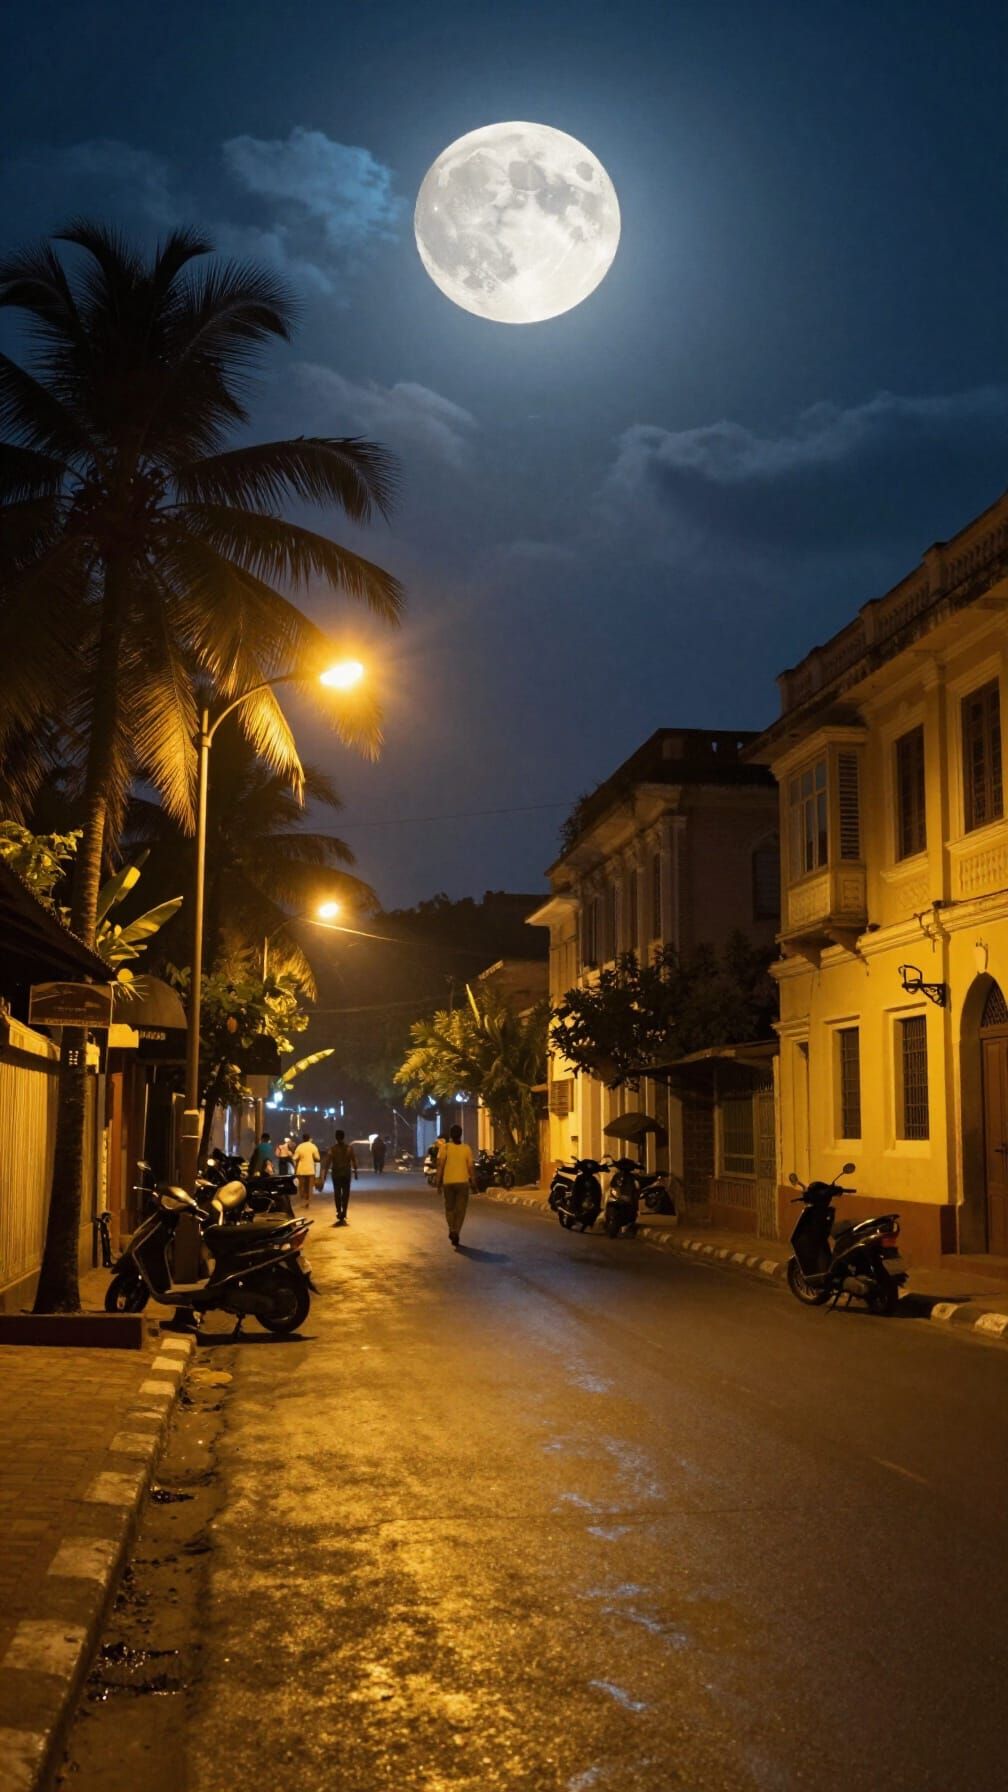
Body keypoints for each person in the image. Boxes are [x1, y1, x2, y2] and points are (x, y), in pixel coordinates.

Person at [436, 1124, 475, 1250]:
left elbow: (440, 1166)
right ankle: (456, 1231)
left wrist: (438, 1182)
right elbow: (470, 1167)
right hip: (463, 1183)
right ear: (461, 1134)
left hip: (448, 1183)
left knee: (450, 1209)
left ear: (451, 1135)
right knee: (460, 1210)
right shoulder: (466, 1149)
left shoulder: (445, 1148)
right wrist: (473, 1181)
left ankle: (452, 1229)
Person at [328, 1129, 358, 1225]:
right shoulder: (349, 1148)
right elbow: (354, 1160)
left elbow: (328, 1162)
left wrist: (323, 1176)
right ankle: (344, 1211)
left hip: (336, 1174)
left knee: (337, 1193)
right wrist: (356, 1172)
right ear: (343, 1137)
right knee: (346, 1193)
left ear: (336, 1137)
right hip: (346, 1173)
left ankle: (338, 1211)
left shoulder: (332, 1149)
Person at [293, 1131, 320, 1209]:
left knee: (301, 1186)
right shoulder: (313, 1146)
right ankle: (308, 1202)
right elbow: (317, 1158)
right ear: (309, 1139)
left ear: (303, 1139)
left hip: (301, 1170)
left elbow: (295, 1158)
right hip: (310, 1170)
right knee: (309, 1187)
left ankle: (303, 1200)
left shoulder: (299, 1147)